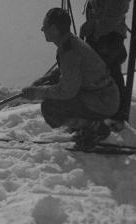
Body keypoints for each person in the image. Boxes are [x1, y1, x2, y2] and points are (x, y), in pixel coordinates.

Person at [22, 8, 117, 148]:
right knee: (56, 100)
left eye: (45, 26)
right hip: (105, 95)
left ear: (54, 29)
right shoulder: (70, 43)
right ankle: (87, 125)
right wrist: (45, 79)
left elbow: (67, 91)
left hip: (103, 101)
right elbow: (69, 71)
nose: (43, 29)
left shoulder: (69, 51)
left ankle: (94, 128)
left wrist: (38, 92)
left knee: (50, 108)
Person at [80, 0, 132, 123]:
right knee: (108, 73)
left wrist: (96, 27)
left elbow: (117, 9)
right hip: (104, 33)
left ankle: (117, 114)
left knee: (108, 74)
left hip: (108, 35)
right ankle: (115, 113)